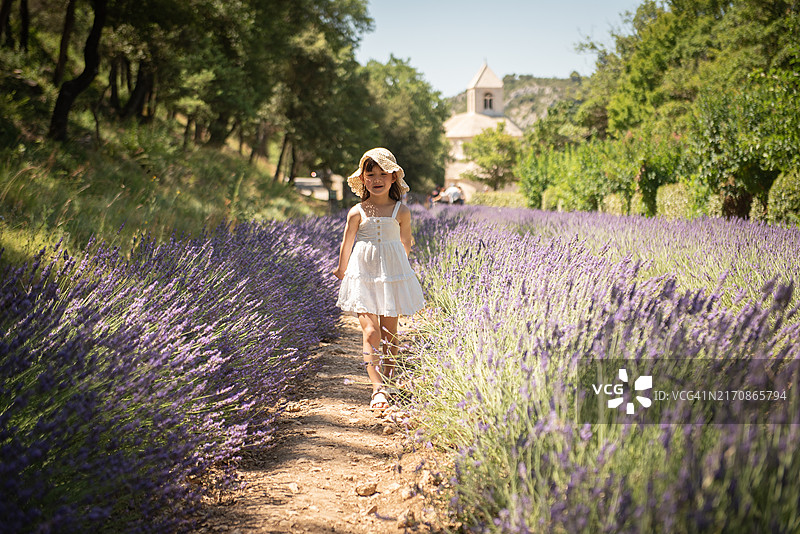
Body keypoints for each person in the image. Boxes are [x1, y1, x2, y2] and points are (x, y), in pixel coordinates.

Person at [332, 148, 425, 413]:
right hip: (363, 277)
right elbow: (347, 243)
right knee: (371, 332)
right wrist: (341, 269)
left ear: (394, 177)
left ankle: (389, 380)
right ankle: (377, 388)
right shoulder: (357, 211)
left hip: (390, 277)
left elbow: (405, 243)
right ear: (362, 178)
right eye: (370, 174)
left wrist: (399, 271)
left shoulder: (401, 211)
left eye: (383, 174)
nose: (376, 179)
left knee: (389, 334)